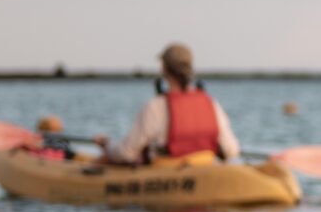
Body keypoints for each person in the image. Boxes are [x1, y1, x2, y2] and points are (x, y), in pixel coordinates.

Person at [95, 43, 243, 164]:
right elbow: (232, 149)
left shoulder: (156, 106)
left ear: (164, 69)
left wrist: (107, 145)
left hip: (166, 173)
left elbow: (126, 153)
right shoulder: (210, 103)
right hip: (203, 167)